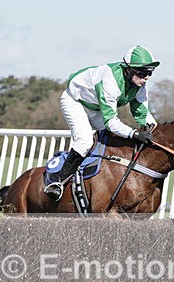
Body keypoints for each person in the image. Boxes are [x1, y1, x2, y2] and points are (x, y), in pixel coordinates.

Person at [43, 45, 160, 201]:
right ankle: (57, 181)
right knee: (85, 142)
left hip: (96, 107)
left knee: (112, 139)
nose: (146, 78)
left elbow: (143, 113)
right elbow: (111, 122)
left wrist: (153, 129)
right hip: (75, 102)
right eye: (142, 73)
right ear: (128, 69)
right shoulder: (110, 81)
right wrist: (135, 133)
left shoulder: (139, 85)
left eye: (149, 73)